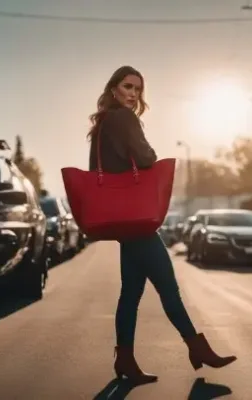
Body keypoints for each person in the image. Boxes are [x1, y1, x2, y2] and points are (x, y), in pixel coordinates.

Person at [87, 66, 237, 385]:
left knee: (131, 294)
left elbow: (96, 169)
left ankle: (125, 359)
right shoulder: (126, 119)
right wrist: (147, 151)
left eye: (138, 89)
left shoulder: (100, 125)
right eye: (128, 86)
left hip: (124, 223)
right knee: (168, 289)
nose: (133, 94)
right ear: (113, 88)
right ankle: (197, 347)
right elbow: (146, 158)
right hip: (139, 225)